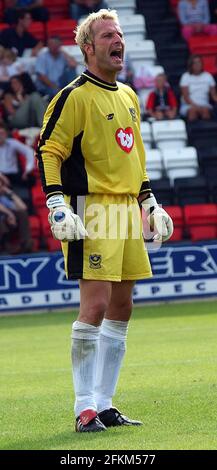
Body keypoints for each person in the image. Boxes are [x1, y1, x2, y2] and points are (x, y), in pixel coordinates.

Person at [36, 9, 173, 433]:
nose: (118, 40)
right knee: (94, 306)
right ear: (87, 47)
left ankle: (105, 404)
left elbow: (136, 159)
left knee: (122, 308)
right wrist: (57, 204)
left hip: (126, 211)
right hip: (90, 209)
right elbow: (49, 151)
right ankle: (84, 409)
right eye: (107, 34)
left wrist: (150, 204)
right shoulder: (73, 96)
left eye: (119, 33)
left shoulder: (129, 95)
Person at [0, 173, 33, 254]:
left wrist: (10, 193)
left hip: (8, 220)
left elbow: (23, 207)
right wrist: (9, 214)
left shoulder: (5, 197)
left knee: (22, 213)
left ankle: (26, 243)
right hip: (3, 220)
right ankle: (7, 246)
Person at [179, 54, 217, 120]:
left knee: (205, 111)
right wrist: (196, 106)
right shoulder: (185, 76)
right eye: (195, 63)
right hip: (189, 105)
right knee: (193, 112)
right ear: (191, 65)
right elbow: (186, 97)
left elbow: (214, 95)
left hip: (204, 104)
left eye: (199, 62)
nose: (197, 64)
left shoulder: (208, 76)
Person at [0, 122, 35, 186]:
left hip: (13, 175)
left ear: (6, 134)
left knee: (31, 179)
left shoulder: (12, 142)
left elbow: (29, 151)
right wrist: (2, 177)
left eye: (2, 133)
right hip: (1, 175)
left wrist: (28, 170)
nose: (1, 136)